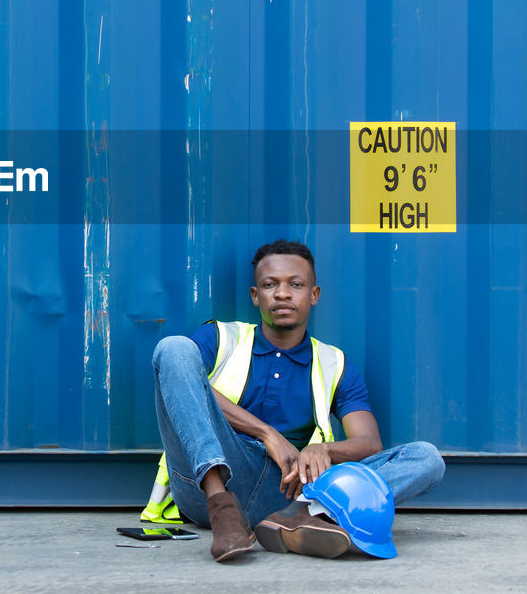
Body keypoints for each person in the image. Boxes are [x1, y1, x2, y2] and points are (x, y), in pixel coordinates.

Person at [146, 239, 445, 562]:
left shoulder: (334, 363)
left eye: (296, 284)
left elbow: (369, 442)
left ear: (314, 295)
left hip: (290, 492)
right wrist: (267, 433)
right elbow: (180, 379)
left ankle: (311, 517)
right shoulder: (220, 338)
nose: (283, 293)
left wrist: (323, 450)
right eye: (270, 285)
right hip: (209, 484)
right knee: (173, 348)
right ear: (255, 295)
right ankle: (224, 510)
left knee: (426, 458)